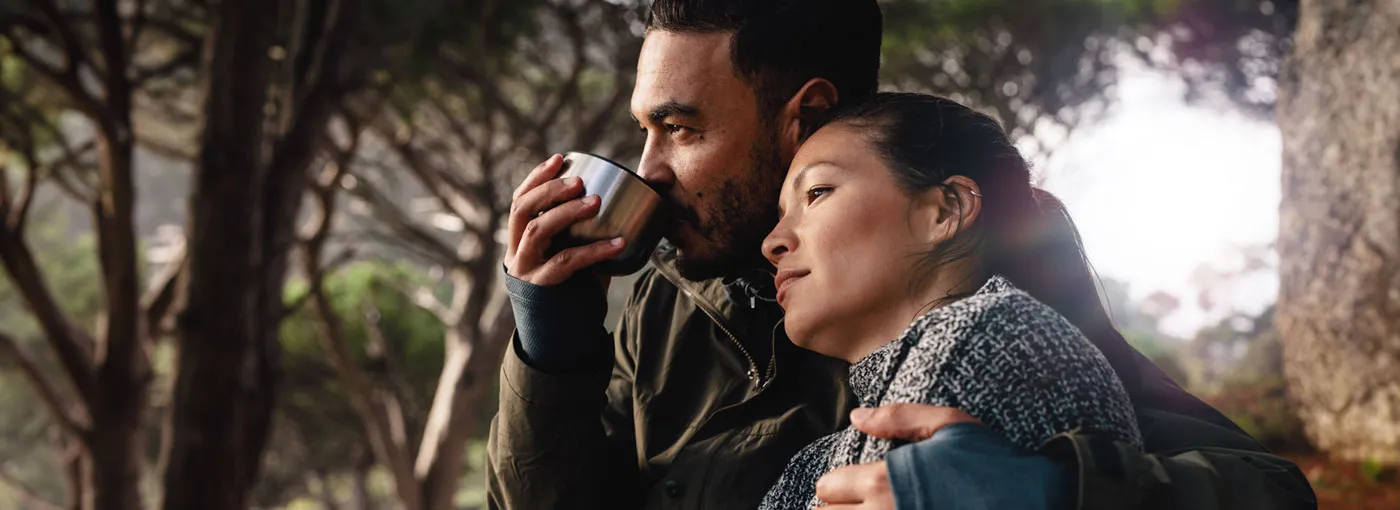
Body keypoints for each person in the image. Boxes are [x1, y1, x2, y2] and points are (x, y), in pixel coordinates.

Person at [487, 0, 1318, 508]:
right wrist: (551, 347)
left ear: (805, 116)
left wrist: (1057, 491)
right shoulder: (665, 298)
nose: (652, 168)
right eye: (644, 131)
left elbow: (1266, 490)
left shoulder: (983, 261)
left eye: (682, 128)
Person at [758, 92, 1143, 509]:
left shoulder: (988, 335)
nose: (772, 242)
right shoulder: (814, 459)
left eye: (816, 192)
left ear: (945, 210)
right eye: (781, 215)